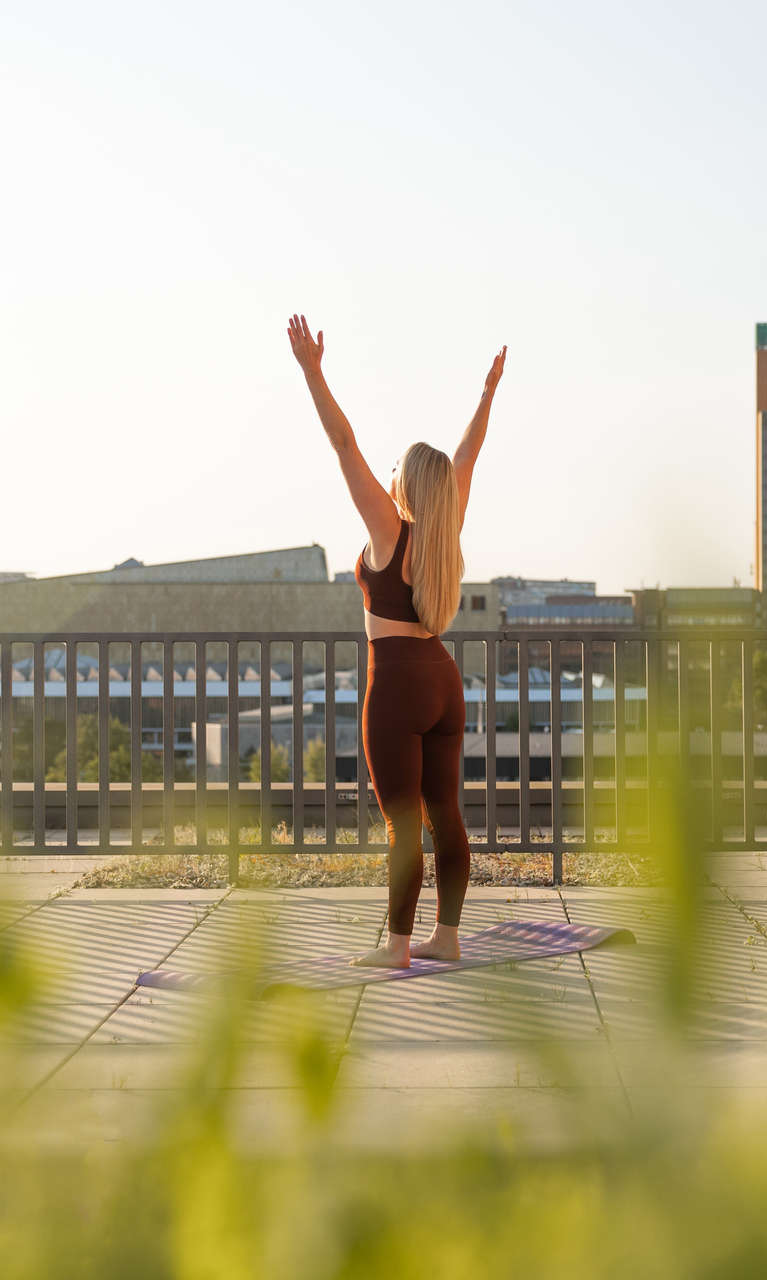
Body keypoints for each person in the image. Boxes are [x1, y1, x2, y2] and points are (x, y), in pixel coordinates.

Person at [285, 314, 505, 967]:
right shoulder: (445, 528)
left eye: (397, 471)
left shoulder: (392, 531)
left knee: (404, 823)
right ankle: (448, 937)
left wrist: (312, 372)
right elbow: (469, 455)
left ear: (408, 485)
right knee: (446, 812)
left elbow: (344, 443)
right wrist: (487, 396)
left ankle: (399, 947)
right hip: (443, 678)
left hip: (399, 682)